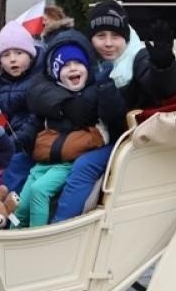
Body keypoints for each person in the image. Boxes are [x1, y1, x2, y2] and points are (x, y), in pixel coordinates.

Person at [48, 1, 176, 223]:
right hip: (92, 132)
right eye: (101, 36)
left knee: (84, 166)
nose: (108, 44)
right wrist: (65, 105)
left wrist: (164, 64)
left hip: (129, 138)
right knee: (37, 154)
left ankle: (61, 228)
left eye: (115, 36)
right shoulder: (83, 58)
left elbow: (164, 89)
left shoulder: (137, 58)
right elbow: (42, 85)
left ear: (126, 38)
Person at [17, 32, 125, 228]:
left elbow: (112, 115)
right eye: (65, 65)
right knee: (21, 203)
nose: (73, 68)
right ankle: (11, 228)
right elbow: (36, 113)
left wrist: (105, 86)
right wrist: (21, 138)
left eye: (78, 63)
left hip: (67, 159)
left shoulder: (93, 89)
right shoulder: (52, 90)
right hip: (44, 158)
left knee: (38, 192)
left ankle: (38, 236)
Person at [0, 21, 42, 197]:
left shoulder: (40, 78)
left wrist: (16, 141)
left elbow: (37, 116)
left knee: (16, 165)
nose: (12, 59)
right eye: (5, 55)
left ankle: (5, 202)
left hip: (33, 139)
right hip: (12, 137)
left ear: (30, 55)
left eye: (19, 53)